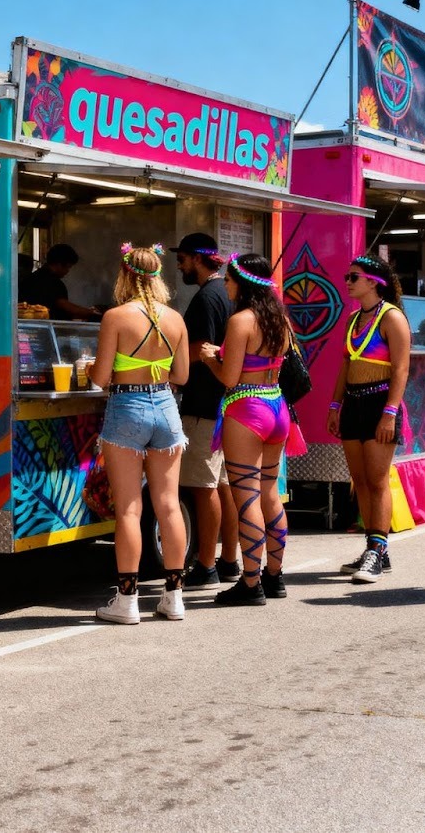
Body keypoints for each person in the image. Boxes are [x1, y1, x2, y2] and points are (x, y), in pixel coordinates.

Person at [90, 244, 191, 624]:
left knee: (129, 509)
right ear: (158, 275)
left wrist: (96, 369)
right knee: (169, 505)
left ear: (125, 274)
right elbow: (181, 376)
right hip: (166, 406)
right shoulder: (175, 319)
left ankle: (127, 601)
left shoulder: (116, 317)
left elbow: (100, 377)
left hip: (127, 407)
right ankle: (174, 597)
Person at [198, 253, 307, 606]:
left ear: (243, 283)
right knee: (270, 493)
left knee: (245, 497)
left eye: (229, 280)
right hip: (277, 406)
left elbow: (230, 378)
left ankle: (250, 583)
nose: (226, 285)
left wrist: (209, 359)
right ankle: (274, 577)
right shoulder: (280, 319)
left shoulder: (240, 320)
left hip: (246, 409)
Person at [328, 255, 411, 584]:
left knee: (377, 481)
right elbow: (346, 365)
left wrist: (390, 413)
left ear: (375, 282)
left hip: (380, 403)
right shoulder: (352, 320)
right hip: (354, 403)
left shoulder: (392, 317)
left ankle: (377, 550)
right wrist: (335, 405)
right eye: (347, 277)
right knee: (359, 481)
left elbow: (401, 369)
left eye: (354, 277)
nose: (348, 282)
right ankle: (374, 548)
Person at [173, 233, 240, 589]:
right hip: (226, 404)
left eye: (182, 259)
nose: (179, 266)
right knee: (224, 486)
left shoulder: (206, 297)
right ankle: (229, 560)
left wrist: (170, 363)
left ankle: (206, 565)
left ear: (197, 259)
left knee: (203, 487)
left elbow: (201, 344)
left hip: (204, 405)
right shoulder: (226, 293)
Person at [18, 244, 99, 320]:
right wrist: (91, 312)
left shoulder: (31, 278)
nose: (68, 271)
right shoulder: (53, 283)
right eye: (68, 267)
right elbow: (68, 308)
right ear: (59, 264)